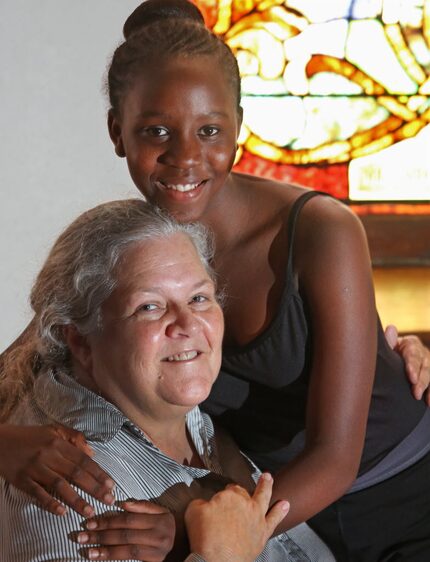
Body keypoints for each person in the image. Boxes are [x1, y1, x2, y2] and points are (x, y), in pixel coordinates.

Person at [1, 0, 430, 559]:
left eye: (209, 130)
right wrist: (5, 446)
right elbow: (20, 365)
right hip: (280, 519)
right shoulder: (130, 254)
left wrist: (189, 535)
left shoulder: (323, 231)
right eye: (156, 131)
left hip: (399, 499)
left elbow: (335, 456)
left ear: (240, 128)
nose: (185, 159)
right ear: (117, 132)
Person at [0, 198, 336, 562]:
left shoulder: (176, 401)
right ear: (81, 341)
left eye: (199, 298)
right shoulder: (67, 490)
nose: (189, 324)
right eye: (149, 306)